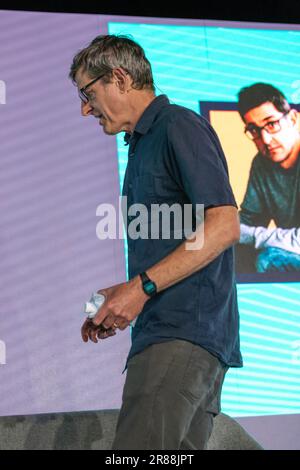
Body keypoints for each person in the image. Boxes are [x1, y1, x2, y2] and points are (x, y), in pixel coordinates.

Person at [69, 34, 242, 450]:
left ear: (120, 77)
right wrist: (123, 295)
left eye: (88, 92)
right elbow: (178, 244)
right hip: (175, 335)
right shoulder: (143, 143)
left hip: (181, 336)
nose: (84, 108)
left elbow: (224, 225)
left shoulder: (177, 125)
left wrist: (142, 286)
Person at [237, 83, 300, 273]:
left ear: (293, 119)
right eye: (254, 130)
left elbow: (245, 233)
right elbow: (247, 223)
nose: (264, 139)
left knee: (270, 259)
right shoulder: (261, 163)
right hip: (289, 250)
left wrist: (247, 235)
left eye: (272, 124)